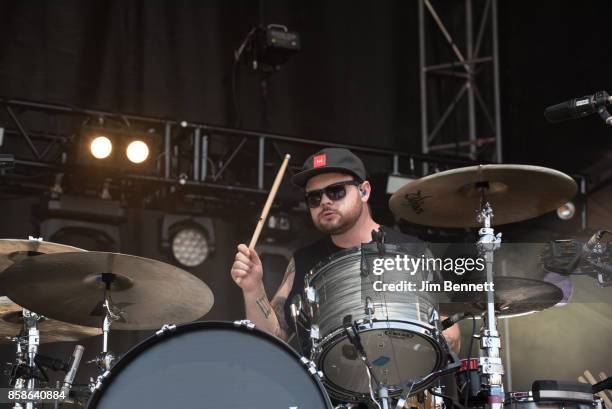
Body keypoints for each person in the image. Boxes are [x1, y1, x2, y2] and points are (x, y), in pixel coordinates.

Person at [230, 147, 461, 354]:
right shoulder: (303, 260)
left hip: (401, 389)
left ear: (364, 191)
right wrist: (253, 289)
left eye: (336, 191)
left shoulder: (412, 251)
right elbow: (273, 339)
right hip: (325, 397)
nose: (325, 202)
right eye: (314, 197)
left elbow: (451, 336)